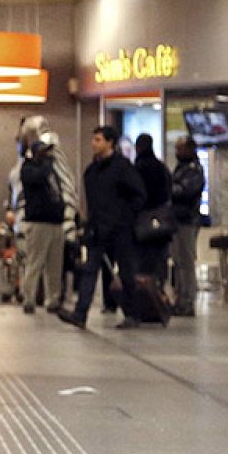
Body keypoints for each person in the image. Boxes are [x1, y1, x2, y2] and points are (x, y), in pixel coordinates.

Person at [58, 126, 148, 330]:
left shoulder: (123, 168)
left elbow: (139, 195)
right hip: (98, 230)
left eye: (98, 140)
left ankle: (132, 314)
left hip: (120, 230)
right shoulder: (92, 171)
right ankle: (80, 313)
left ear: (110, 142)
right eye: (94, 139)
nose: (93, 143)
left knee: (126, 272)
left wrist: (124, 217)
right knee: (89, 270)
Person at [13, 116, 79, 314]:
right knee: (34, 263)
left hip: (56, 221)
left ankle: (53, 299)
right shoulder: (29, 168)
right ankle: (29, 298)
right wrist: (46, 162)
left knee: (54, 265)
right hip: (38, 221)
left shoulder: (52, 171)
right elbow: (38, 178)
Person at [168, 136, 206, 316]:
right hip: (177, 219)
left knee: (186, 262)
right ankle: (180, 298)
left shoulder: (194, 170)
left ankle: (188, 301)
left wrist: (170, 188)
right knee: (178, 262)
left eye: (180, 149)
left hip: (187, 220)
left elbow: (186, 191)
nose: (177, 153)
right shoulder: (181, 168)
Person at [133, 133, 173, 285]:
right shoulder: (162, 168)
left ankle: (145, 292)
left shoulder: (137, 168)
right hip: (161, 222)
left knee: (143, 260)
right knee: (159, 258)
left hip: (142, 222)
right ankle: (159, 287)